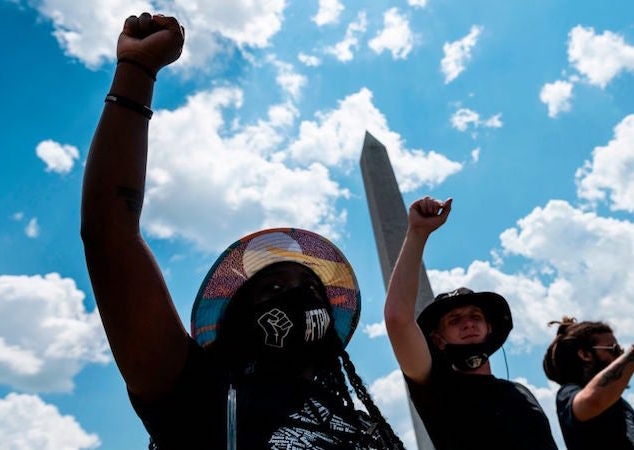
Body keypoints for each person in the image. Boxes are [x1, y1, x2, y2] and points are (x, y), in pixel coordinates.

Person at [81, 12, 403, 449]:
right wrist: (136, 73)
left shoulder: (370, 430)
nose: (298, 295)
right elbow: (109, 233)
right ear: (236, 319)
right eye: (273, 289)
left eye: (310, 287)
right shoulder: (198, 394)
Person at [383, 196, 558, 450]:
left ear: (490, 328)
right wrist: (418, 232)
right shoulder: (435, 386)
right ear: (437, 339)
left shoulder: (521, 392)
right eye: (454, 320)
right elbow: (398, 319)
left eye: (476, 316)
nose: (468, 324)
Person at [543, 317, 634, 450]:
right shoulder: (568, 393)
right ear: (586, 355)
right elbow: (592, 400)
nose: (620, 357)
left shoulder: (615, 401)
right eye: (614, 349)